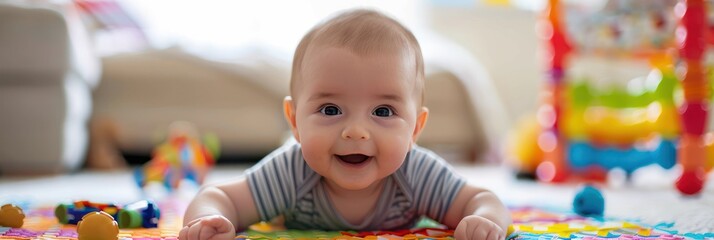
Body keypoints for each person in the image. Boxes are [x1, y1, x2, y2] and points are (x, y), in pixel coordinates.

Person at [179, 9, 511, 240]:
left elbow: (481, 199)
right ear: (295, 120)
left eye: (382, 112)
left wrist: (483, 220)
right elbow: (220, 196)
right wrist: (209, 220)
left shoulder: (416, 173)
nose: (355, 131)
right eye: (330, 109)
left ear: (414, 130)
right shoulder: (291, 172)